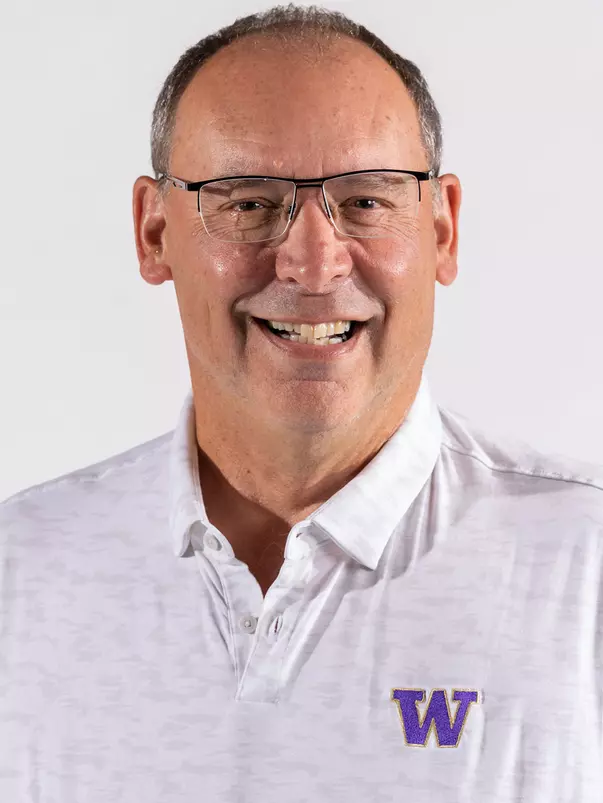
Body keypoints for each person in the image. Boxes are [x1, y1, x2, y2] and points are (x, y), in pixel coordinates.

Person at [1, 4, 602, 801]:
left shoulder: (584, 571)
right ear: (153, 233)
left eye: (366, 200)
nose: (313, 262)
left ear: (443, 229)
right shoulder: (19, 576)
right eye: (247, 201)